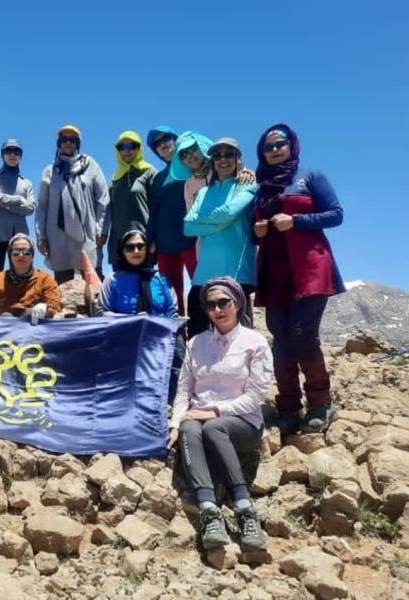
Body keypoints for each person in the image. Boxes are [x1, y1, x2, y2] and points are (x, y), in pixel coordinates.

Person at [253, 124, 345, 435]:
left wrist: (297, 220)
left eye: (280, 143)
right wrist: (257, 230)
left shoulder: (311, 176)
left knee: (302, 335)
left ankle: (321, 403)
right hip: (275, 272)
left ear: (292, 145)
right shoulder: (261, 187)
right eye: (268, 147)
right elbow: (254, 229)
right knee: (280, 339)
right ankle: (288, 405)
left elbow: (336, 214)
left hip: (310, 269)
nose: (275, 150)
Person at [168, 277, 271, 551]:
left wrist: (214, 411)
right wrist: (176, 424)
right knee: (189, 428)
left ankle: (244, 508)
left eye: (224, 302)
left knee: (214, 427)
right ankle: (209, 511)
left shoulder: (255, 342)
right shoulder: (196, 343)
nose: (217, 310)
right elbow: (184, 390)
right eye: (211, 305)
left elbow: (256, 396)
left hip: (243, 424)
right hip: (199, 420)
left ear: (237, 303)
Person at [184, 138, 258, 337]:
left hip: (236, 275)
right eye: (217, 156)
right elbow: (188, 227)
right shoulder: (203, 192)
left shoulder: (247, 184)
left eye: (229, 154)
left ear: (238, 158)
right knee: (197, 336)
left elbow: (229, 212)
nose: (223, 160)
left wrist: (204, 221)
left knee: (238, 340)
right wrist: (221, 221)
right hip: (203, 275)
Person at [35, 125, 110, 284]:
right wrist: (41, 236)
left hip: (87, 233)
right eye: (64, 140)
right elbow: (41, 206)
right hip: (57, 236)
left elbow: (103, 198)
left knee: (94, 279)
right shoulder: (49, 171)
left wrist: (101, 228)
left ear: (78, 143)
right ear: (59, 143)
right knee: (62, 283)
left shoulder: (91, 165)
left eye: (72, 140)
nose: (68, 143)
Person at [144, 127, 196, 316]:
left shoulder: (194, 168)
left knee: (201, 287)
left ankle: (205, 330)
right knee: (171, 293)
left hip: (193, 239)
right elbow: (154, 212)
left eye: (166, 138)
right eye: (157, 143)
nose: (162, 144)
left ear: (176, 139)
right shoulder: (158, 179)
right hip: (165, 244)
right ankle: (177, 332)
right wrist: (149, 240)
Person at [0, 140, 35, 284]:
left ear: (20, 156)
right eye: (8, 151)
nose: (12, 155)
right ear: (3, 155)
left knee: (21, 276)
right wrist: (19, 199)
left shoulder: (27, 183)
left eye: (16, 152)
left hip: (20, 237)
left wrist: (2, 205)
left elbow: (30, 208)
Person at [0, 234, 61, 324]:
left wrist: (46, 309)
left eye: (26, 252)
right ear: (10, 256)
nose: (21, 255)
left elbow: (55, 309)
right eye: (16, 252)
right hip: (5, 327)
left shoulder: (46, 279)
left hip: (35, 326)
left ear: (32, 256)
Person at [104, 131, 156, 268]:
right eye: (122, 147)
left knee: (144, 281)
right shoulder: (116, 177)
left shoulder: (149, 172)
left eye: (132, 146)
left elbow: (157, 208)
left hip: (142, 243)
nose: (127, 151)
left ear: (139, 148)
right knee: (121, 281)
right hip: (119, 244)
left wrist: (154, 239)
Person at [97, 230, 177, 318]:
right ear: (122, 251)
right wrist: (133, 320)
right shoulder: (112, 280)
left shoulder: (161, 279)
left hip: (160, 327)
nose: (136, 251)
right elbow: (102, 313)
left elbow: (172, 312)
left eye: (140, 246)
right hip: (124, 327)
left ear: (147, 249)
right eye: (130, 247)